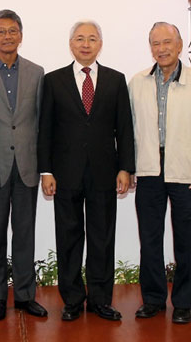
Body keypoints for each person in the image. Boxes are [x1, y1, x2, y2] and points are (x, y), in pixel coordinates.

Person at [38, 20, 134, 322]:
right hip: (65, 173)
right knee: (68, 237)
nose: (86, 44)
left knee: (102, 237)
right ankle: (72, 299)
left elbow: (125, 130)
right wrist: (46, 171)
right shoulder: (53, 81)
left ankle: (101, 299)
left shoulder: (116, 80)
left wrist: (126, 168)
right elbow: (45, 130)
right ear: (71, 44)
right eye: (80, 38)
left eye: (92, 39)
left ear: (100, 44)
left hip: (105, 172)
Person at [129, 22, 191, 324]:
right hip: (149, 169)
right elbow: (128, 130)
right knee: (150, 238)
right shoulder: (138, 83)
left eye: (167, 42)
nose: (162, 49)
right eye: (156, 43)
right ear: (150, 48)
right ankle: (153, 299)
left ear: (180, 45)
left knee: (188, 240)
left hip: (187, 170)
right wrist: (129, 168)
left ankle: (183, 300)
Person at [0, 10, 48, 321]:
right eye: (1, 31)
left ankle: (26, 296)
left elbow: (41, 122)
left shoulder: (37, 72)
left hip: (27, 166)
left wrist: (46, 169)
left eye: (12, 30)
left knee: (25, 234)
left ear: (21, 34)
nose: (7, 36)